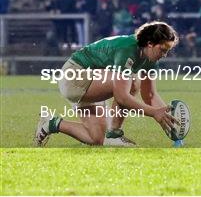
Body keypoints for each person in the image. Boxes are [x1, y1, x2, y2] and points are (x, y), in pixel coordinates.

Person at [35, 21, 179, 147]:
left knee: (96, 138)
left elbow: (150, 95)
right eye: (163, 50)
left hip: (92, 81)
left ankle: (52, 123)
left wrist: (168, 120)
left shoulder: (151, 60)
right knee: (133, 81)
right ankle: (114, 135)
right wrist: (154, 113)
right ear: (150, 44)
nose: (164, 55)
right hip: (75, 76)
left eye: (167, 51)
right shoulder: (128, 48)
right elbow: (122, 97)